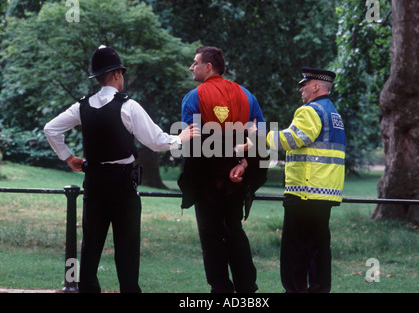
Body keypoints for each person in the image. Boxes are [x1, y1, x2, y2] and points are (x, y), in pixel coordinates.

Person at [44, 45, 199, 293]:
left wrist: (68, 157)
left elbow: (50, 129)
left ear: (98, 77)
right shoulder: (128, 106)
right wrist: (180, 138)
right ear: (116, 74)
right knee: (126, 247)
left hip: (93, 181)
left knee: (91, 244)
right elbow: (156, 141)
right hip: (122, 184)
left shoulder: (82, 106)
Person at [178, 46, 265, 293]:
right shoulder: (247, 96)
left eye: (195, 63)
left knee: (211, 234)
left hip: (208, 181)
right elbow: (260, 137)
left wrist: (192, 183)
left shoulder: (193, 97)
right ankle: (247, 286)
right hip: (236, 178)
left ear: (208, 67)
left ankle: (220, 288)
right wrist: (243, 163)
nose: (191, 67)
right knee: (235, 230)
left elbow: (192, 144)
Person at [266, 67, 345, 293]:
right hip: (325, 191)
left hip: (305, 191)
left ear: (316, 87)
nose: (301, 88)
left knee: (294, 249)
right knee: (318, 247)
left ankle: (295, 290)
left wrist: (261, 134)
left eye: (305, 84)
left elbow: (290, 139)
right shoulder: (334, 114)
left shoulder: (310, 111)